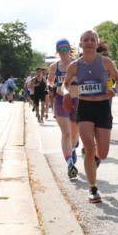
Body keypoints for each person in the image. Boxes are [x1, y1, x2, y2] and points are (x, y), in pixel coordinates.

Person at [64, 30, 118, 203]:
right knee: (89, 147)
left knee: (102, 153)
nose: (89, 42)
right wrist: (67, 93)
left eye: (92, 40)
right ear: (81, 44)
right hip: (85, 107)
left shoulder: (105, 62)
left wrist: (114, 89)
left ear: (97, 43)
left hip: (103, 106)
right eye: (85, 40)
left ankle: (94, 160)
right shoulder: (74, 66)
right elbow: (65, 85)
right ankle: (93, 188)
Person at [49, 39, 80, 180]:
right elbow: (50, 81)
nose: (63, 51)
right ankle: (69, 163)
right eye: (60, 49)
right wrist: (52, 83)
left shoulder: (77, 64)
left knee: (74, 134)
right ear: (57, 51)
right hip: (60, 100)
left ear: (69, 49)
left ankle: (73, 149)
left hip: (76, 100)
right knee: (66, 133)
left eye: (65, 48)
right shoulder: (54, 66)